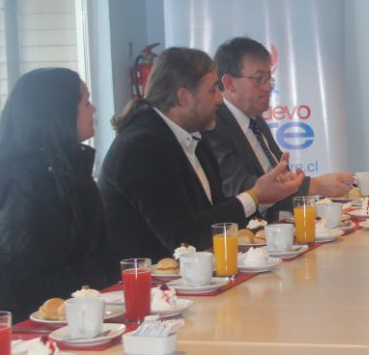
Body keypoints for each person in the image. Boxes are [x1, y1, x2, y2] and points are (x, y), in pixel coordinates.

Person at [99, 47, 304, 261]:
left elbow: (216, 214)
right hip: (150, 278)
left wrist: (263, 196)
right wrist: (255, 196)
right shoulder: (142, 148)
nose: (220, 99)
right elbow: (183, 237)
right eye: (213, 90)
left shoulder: (195, 137)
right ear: (184, 97)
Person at [0, 68, 117, 321]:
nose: (93, 110)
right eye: (85, 103)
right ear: (58, 113)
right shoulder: (15, 181)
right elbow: (25, 277)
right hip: (32, 319)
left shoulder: (65, 167)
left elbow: (97, 250)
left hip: (80, 306)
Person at [204, 37, 353, 215]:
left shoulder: (255, 121)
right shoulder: (213, 125)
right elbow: (239, 188)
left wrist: (295, 181)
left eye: (269, 79)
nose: (268, 88)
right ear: (229, 83)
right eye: (259, 79)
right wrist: (314, 185)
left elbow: (279, 178)